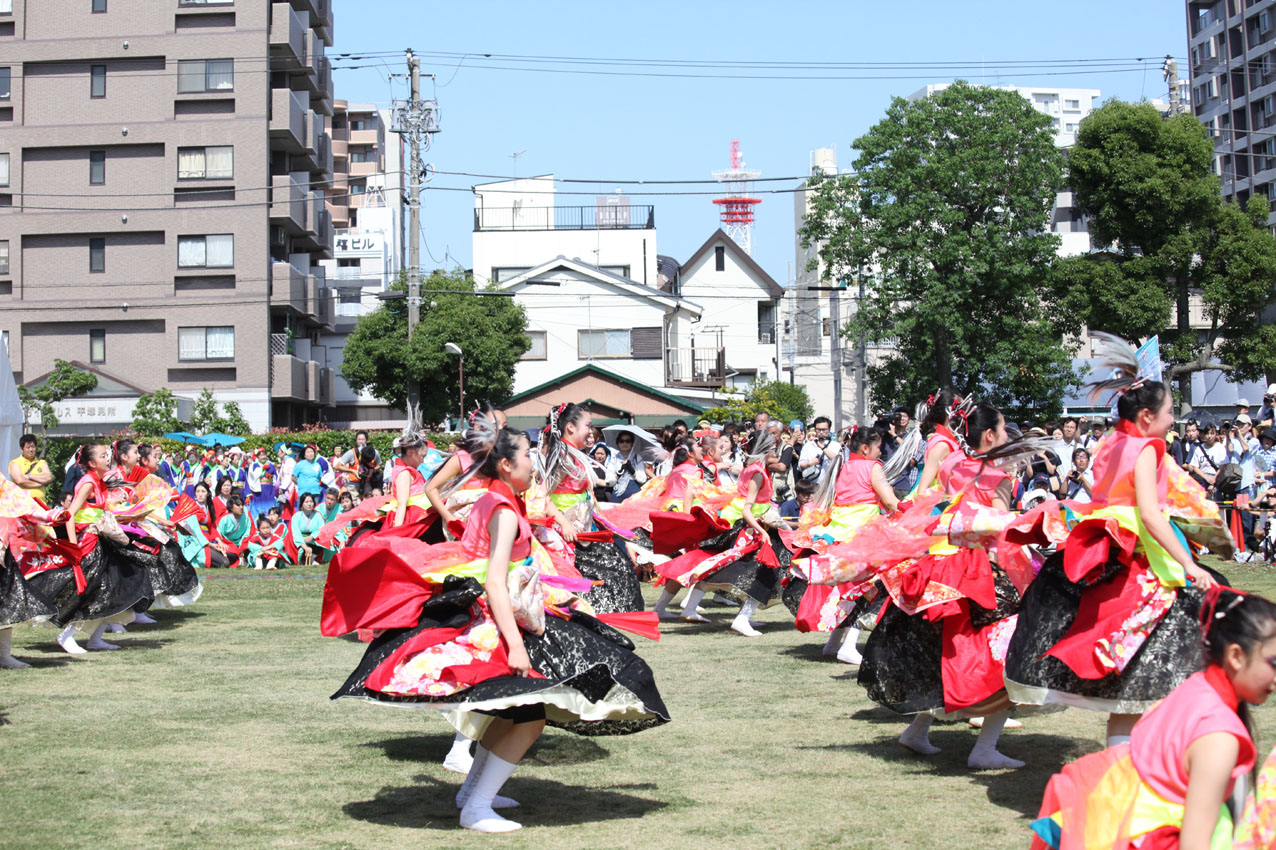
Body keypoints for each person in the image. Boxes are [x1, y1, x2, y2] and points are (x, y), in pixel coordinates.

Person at [323, 426, 669, 833]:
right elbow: (495, 581)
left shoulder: (495, 499)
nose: (533, 463)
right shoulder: (503, 510)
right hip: (502, 620)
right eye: (526, 456)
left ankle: (473, 794)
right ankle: (477, 805)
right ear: (506, 465)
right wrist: (515, 646)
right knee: (528, 716)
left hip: (507, 614)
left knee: (518, 711)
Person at [1005, 332, 1223, 749]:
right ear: (1146, 417)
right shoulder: (1146, 449)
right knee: (1160, 663)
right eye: (1170, 411)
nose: (1173, 419)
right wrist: (1189, 565)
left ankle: (1130, 767)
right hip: (1140, 562)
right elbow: (1150, 516)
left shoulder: (1109, 443)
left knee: (1129, 679)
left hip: (1109, 559)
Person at [1030, 588, 1275, 850]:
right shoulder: (1219, 738)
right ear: (1236, 656)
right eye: (1273, 662)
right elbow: (1195, 842)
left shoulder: (1192, 689)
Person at [855, 402, 1027, 769]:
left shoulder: (952, 465)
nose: (1007, 434)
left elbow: (936, 502)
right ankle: (984, 747)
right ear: (991, 435)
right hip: (981, 569)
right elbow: (999, 528)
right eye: (1002, 428)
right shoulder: (997, 475)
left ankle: (917, 731)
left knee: (944, 650)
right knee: (1006, 648)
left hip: (944, 565)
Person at [652, 429, 790, 636]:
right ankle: (742, 618)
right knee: (762, 571)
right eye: (772, 448)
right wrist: (764, 529)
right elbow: (745, 508)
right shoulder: (754, 473)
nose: (776, 453)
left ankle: (730, 614)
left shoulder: (751, 468)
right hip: (747, 528)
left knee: (716, 566)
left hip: (736, 524)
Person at [8, 434, 52, 506]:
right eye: (28, 447)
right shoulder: (15, 463)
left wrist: (29, 476)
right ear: (22, 449)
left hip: (40, 506)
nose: (31, 450)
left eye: (33, 447)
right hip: (21, 506)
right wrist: (39, 483)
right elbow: (20, 480)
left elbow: (48, 478)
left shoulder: (42, 463)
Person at [290, 492, 325, 565]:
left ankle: (313, 559)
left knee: (325, 540)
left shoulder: (318, 514)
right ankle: (302, 559)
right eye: (306, 502)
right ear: (302, 503)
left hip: (312, 539)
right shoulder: (296, 516)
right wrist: (305, 547)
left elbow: (322, 529)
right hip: (300, 541)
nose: (309, 504)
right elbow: (296, 534)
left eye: (311, 501)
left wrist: (312, 536)